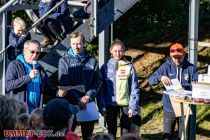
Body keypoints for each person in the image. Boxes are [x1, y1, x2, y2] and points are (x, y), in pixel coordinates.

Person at [148, 43, 198, 139]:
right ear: (171, 56)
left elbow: (196, 86)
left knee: (183, 136)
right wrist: (160, 77)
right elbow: (150, 81)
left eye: (179, 57)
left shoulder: (192, 68)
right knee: (167, 135)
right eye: (174, 57)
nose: (177, 59)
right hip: (169, 107)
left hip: (185, 107)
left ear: (184, 55)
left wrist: (191, 86)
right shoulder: (165, 67)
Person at [58, 31, 102, 140]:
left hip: (88, 103)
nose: (76, 47)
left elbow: (97, 81)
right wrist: (77, 99)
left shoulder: (92, 60)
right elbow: (64, 83)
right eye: (73, 44)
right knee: (68, 136)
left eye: (78, 43)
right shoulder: (63, 61)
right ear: (70, 44)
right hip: (71, 103)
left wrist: (88, 96)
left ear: (83, 43)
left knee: (88, 136)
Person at [97, 39, 140, 139]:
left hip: (125, 103)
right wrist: (101, 105)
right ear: (111, 51)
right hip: (109, 103)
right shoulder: (105, 67)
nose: (118, 53)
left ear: (123, 51)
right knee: (111, 131)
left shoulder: (129, 66)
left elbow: (135, 87)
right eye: (115, 51)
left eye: (120, 50)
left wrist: (132, 106)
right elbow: (101, 89)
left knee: (125, 131)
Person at [6, 40, 56, 113]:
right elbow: (9, 85)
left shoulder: (39, 68)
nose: (35, 55)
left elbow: (48, 88)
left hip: (36, 113)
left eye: (38, 53)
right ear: (25, 51)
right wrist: (28, 77)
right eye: (32, 52)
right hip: (19, 111)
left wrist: (57, 92)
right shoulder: (14, 65)